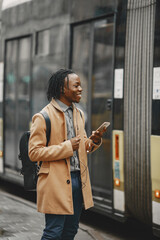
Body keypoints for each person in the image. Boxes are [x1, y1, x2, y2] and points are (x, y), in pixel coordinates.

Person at [29, 69, 107, 240]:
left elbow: (83, 147)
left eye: (80, 85)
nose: (80, 89)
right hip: (54, 182)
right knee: (53, 232)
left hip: (78, 181)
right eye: (76, 85)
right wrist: (66, 147)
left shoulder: (79, 114)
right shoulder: (43, 117)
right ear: (63, 89)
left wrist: (93, 141)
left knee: (71, 231)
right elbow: (34, 153)